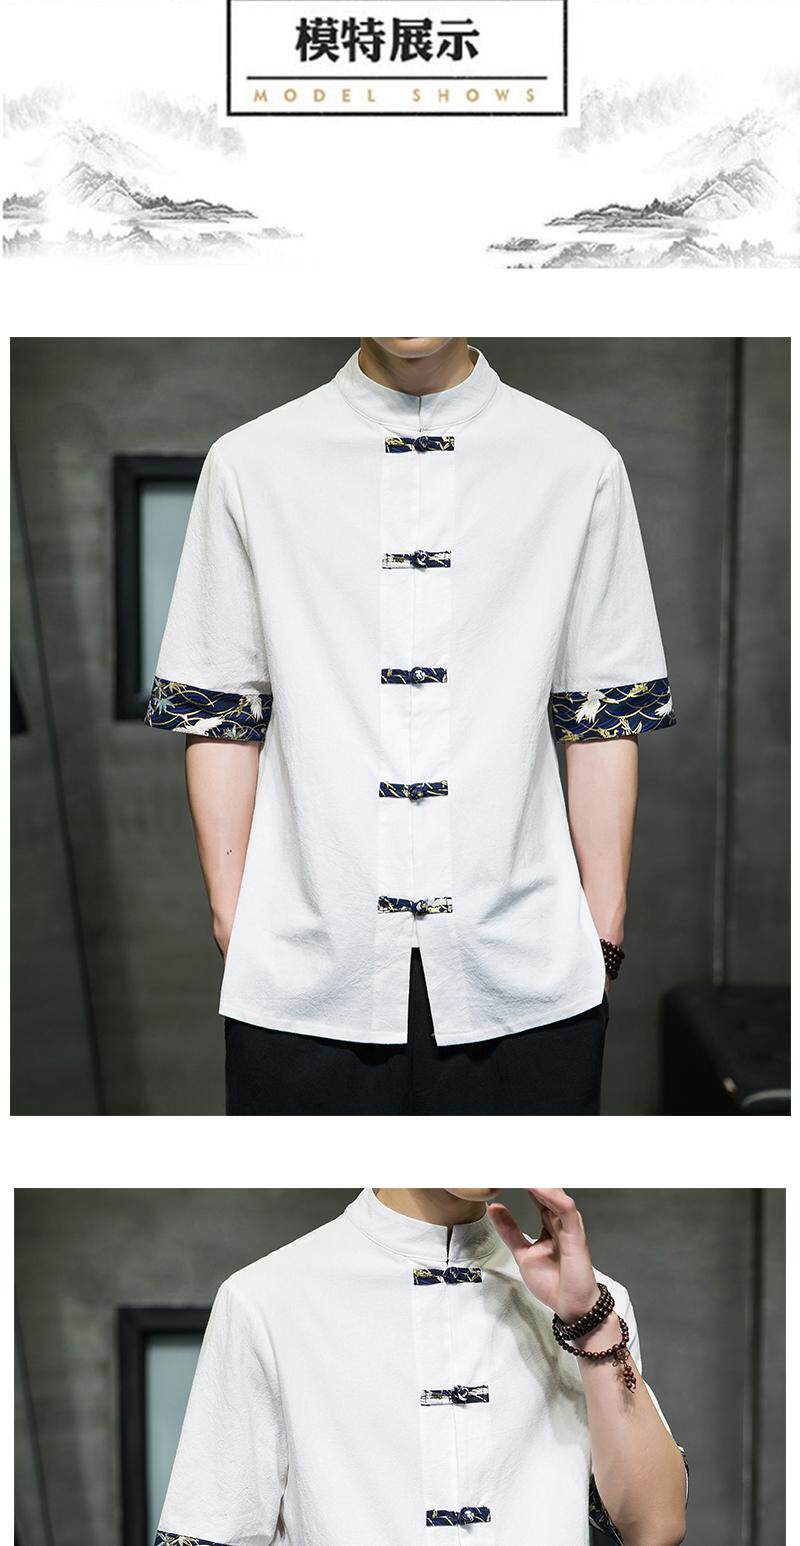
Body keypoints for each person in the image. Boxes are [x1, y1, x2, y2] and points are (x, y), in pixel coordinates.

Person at [146, 339, 675, 1115]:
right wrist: (236, 919)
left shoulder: (576, 462)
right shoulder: (250, 463)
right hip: (304, 975)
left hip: (527, 973)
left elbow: (602, 713)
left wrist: (601, 935)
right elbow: (220, 712)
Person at [156, 1187, 687, 1546]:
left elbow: (655, 1529)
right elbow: (209, 1531)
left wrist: (589, 1323)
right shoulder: (267, 1299)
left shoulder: (594, 1303)